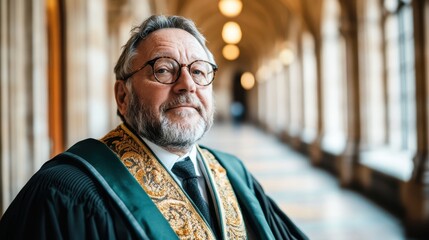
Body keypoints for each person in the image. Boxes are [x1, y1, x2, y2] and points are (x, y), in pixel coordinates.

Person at [0, 15, 307, 240]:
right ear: (123, 95)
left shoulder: (234, 173)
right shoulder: (63, 194)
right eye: (163, 70)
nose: (186, 85)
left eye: (199, 71)